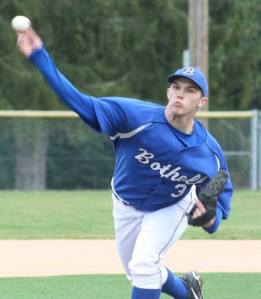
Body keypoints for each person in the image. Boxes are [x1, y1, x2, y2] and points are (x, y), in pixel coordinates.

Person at [15, 28, 233, 299]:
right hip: (125, 201)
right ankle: (188, 292)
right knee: (138, 269)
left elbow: (218, 204)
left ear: (201, 102)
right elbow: (78, 101)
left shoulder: (209, 152)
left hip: (171, 205)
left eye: (189, 91)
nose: (180, 94)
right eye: (176, 87)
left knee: (144, 264)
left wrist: (210, 219)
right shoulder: (134, 116)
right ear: (168, 92)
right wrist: (39, 56)